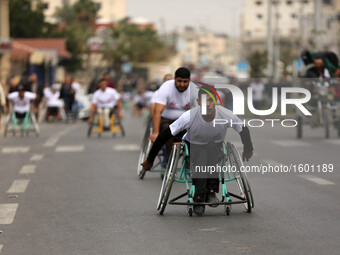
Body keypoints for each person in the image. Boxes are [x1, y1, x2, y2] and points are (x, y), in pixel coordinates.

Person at [141, 85, 254, 213]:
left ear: (215, 101)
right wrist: (150, 160)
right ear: (199, 102)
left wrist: (248, 148)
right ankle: (199, 197)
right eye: (205, 101)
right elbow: (164, 136)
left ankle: (211, 192)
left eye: (211, 100)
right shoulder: (189, 116)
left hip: (215, 147)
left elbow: (243, 129)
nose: (208, 104)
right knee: (201, 155)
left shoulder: (225, 114)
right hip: (193, 146)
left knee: (210, 149)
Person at [150, 67, 198, 159]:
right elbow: (157, 111)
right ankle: (168, 159)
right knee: (166, 130)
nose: (182, 84)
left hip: (185, 121)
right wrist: (155, 133)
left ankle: (189, 159)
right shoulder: (166, 87)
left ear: (189, 81)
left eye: (185, 82)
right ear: (174, 79)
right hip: (167, 120)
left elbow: (200, 112)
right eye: (179, 81)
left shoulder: (194, 90)